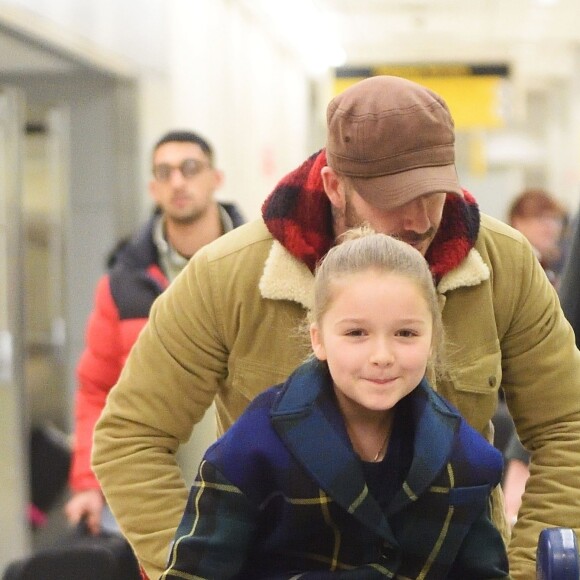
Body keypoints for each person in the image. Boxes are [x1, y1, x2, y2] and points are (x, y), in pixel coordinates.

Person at [92, 76, 580, 580]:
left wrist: (527, 570)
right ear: (333, 186)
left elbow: (568, 426)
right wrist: (198, 565)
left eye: (433, 193)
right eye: (393, 196)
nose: (418, 218)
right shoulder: (228, 277)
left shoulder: (505, 266)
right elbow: (131, 438)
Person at [161, 229, 509, 579]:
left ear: (432, 339)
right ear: (318, 339)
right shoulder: (250, 451)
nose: (382, 356)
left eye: (406, 333)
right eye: (356, 333)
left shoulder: (467, 461)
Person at [65, 129, 245, 536]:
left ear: (215, 178)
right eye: (164, 172)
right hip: (157, 499)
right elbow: (97, 390)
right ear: (153, 187)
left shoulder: (257, 265)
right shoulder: (123, 284)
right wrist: (88, 484)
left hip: (249, 496)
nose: (177, 182)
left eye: (190, 168)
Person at [507, 188, 568, 286]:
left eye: (554, 218)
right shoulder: (510, 266)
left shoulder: (551, 267)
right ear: (518, 222)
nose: (550, 226)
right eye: (541, 217)